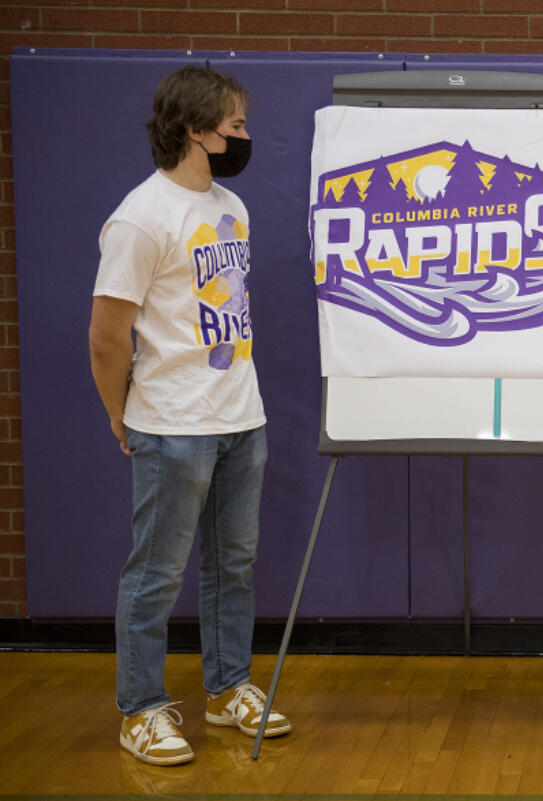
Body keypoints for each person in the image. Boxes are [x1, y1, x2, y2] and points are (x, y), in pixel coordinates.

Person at [89, 65, 291, 766]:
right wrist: (122, 417)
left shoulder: (232, 208)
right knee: (156, 573)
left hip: (242, 418)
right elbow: (107, 336)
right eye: (234, 126)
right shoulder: (140, 218)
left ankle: (226, 685)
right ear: (192, 130)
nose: (244, 137)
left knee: (233, 564)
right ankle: (140, 707)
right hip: (172, 426)